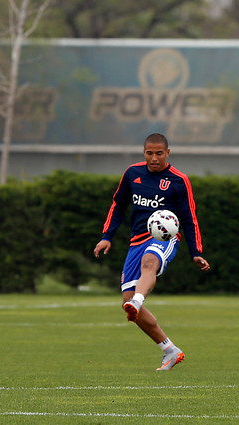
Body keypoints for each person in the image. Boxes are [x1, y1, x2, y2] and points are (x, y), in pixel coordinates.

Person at [93, 133, 210, 371]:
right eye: (149, 153)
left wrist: (195, 251)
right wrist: (107, 237)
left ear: (168, 153)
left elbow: (190, 218)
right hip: (136, 240)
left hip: (165, 238)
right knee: (126, 301)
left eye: (159, 153)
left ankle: (138, 300)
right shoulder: (132, 173)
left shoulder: (179, 180)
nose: (154, 158)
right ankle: (169, 350)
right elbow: (118, 205)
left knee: (149, 263)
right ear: (144, 152)